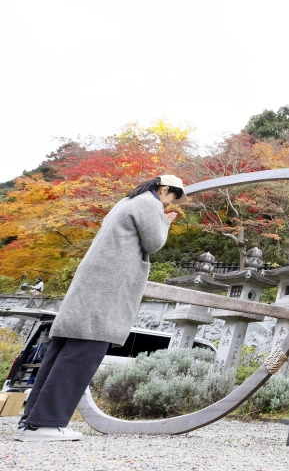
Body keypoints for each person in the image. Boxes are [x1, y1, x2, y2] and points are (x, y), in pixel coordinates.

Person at [15, 175, 187, 442]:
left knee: (62, 353)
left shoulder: (126, 201)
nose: (168, 206)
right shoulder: (148, 203)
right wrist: (164, 224)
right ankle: (46, 424)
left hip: (91, 284)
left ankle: (33, 421)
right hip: (106, 288)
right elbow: (154, 243)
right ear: (164, 189)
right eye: (171, 199)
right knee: (84, 353)